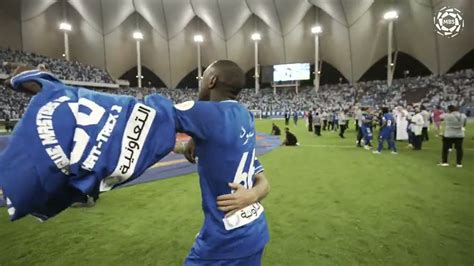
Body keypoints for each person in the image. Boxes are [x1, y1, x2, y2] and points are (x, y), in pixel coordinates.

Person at [0, 65, 178, 221]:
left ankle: (84, 195)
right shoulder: (64, 100)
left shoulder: (60, 101)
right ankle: (84, 195)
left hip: (68, 162)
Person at [172, 60, 270, 265]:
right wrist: (252, 194)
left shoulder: (207, 113)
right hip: (255, 231)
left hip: (224, 241)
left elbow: (155, 115)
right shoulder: (246, 117)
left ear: (212, 80)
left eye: (202, 78)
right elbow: (264, 183)